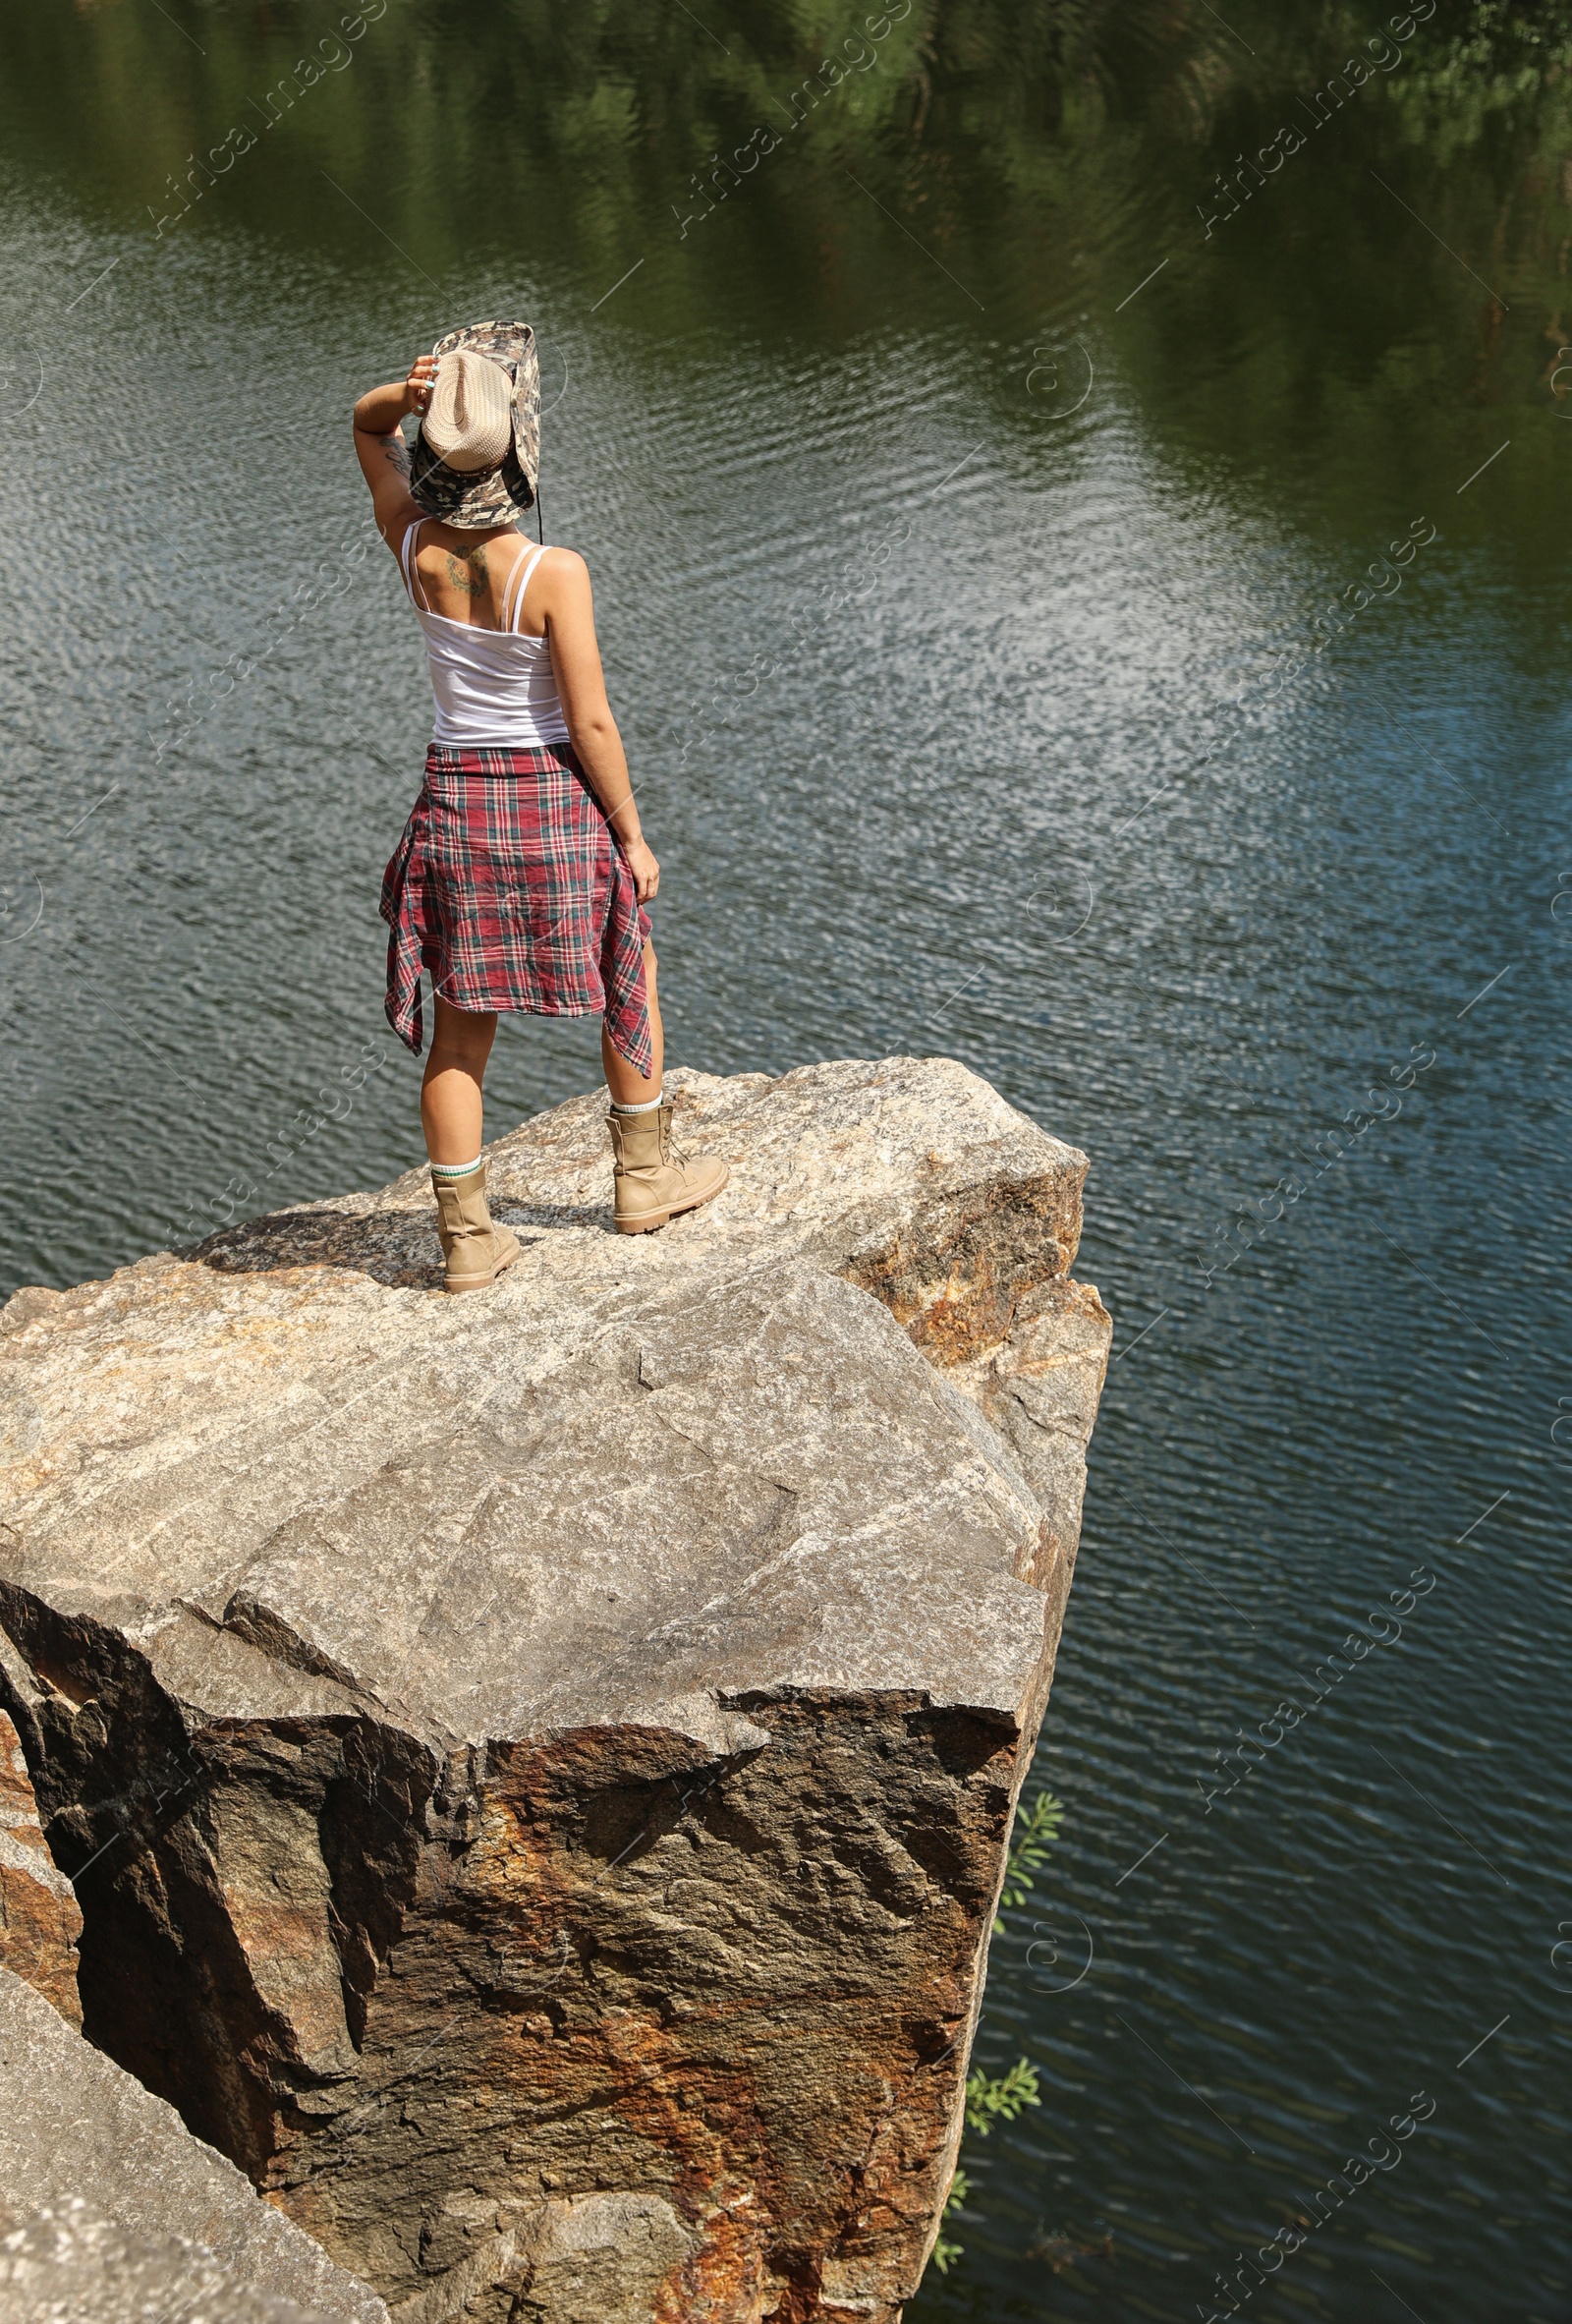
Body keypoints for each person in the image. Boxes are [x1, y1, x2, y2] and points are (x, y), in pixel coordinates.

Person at [352, 321, 727, 1292]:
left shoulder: (413, 545)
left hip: (458, 803)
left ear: (433, 449)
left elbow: (360, 431)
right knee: (625, 955)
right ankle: (642, 1179)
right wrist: (633, 837)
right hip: (551, 796)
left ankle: (467, 1241)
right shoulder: (553, 572)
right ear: (517, 457)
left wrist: (409, 394)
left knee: (461, 1030)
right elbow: (591, 722)